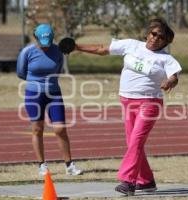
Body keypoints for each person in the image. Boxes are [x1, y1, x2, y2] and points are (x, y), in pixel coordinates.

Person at [70, 18, 182, 195]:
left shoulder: (166, 59)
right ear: (148, 33)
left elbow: (174, 77)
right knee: (133, 143)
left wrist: (169, 82)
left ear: (166, 42)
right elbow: (102, 49)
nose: (155, 39)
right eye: (154, 34)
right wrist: (77, 47)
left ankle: (129, 182)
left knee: (136, 141)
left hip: (149, 103)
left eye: (161, 38)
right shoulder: (131, 45)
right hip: (127, 101)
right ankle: (146, 182)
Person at [16, 24, 82, 176]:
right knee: (37, 129)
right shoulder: (27, 52)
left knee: (60, 129)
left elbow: (57, 69)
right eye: (42, 43)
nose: (45, 47)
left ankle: (69, 165)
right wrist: (37, 83)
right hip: (34, 94)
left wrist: (49, 83)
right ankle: (42, 165)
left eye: (48, 42)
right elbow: (20, 73)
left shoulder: (58, 51)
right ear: (36, 38)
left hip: (54, 93)